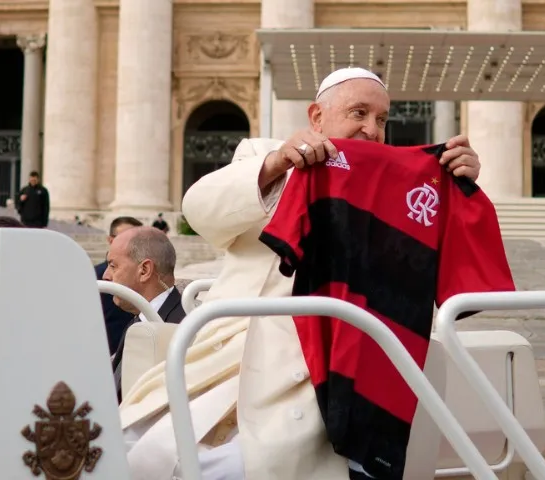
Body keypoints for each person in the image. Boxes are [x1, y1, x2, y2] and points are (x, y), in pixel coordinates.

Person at [119, 67, 484, 480]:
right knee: (131, 448)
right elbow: (201, 209)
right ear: (316, 117)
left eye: (381, 120)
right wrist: (277, 164)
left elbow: (442, 275)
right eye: (359, 113)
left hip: (327, 363)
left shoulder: (401, 186)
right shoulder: (266, 154)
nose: (372, 129)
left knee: (231, 467)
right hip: (232, 349)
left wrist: (458, 191)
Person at [103, 226, 185, 401]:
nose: (105, 276)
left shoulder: (180, 327)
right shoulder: (139, 318)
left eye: (112, 266)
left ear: (145, 270)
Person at [95, 216, 144, 354]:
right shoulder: (93, 276)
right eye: (125, 239)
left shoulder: (149, 275)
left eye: (138, 240)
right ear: (110, 240)